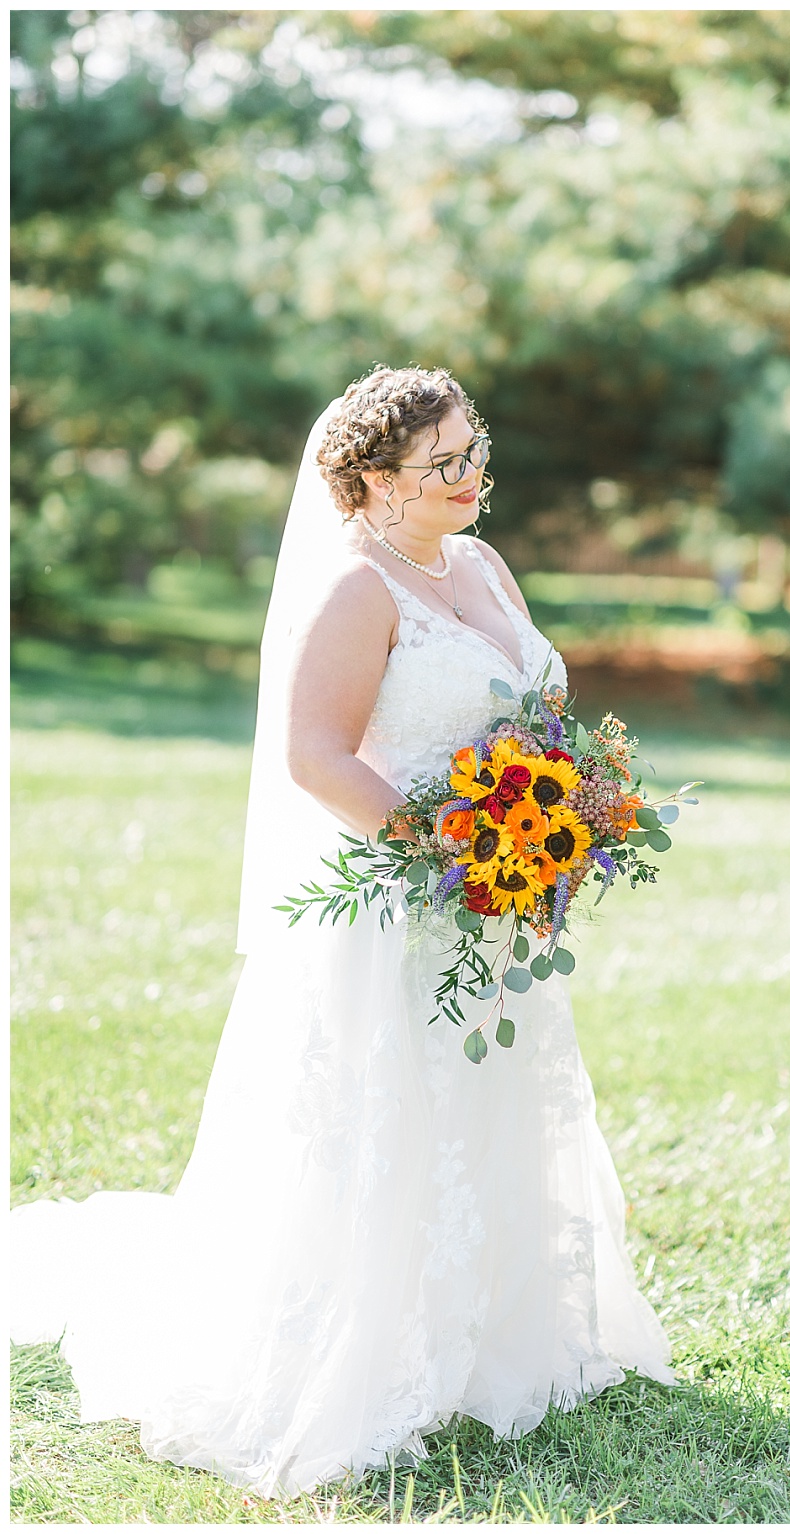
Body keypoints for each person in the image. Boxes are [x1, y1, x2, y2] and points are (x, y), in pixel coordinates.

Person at [11, 367, 674, 1497]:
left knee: (496, 1104)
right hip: (401, 912)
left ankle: (497, 1337)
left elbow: (535, 707)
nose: (473, 479)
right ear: (372, 480)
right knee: (384, 1120)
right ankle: (372, 1344)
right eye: (444, 465)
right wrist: (456, 852)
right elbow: (315, 756)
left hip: (500, 907)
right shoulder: (356, 590)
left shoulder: (481, 563)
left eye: (475, 452)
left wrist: (569, 808)